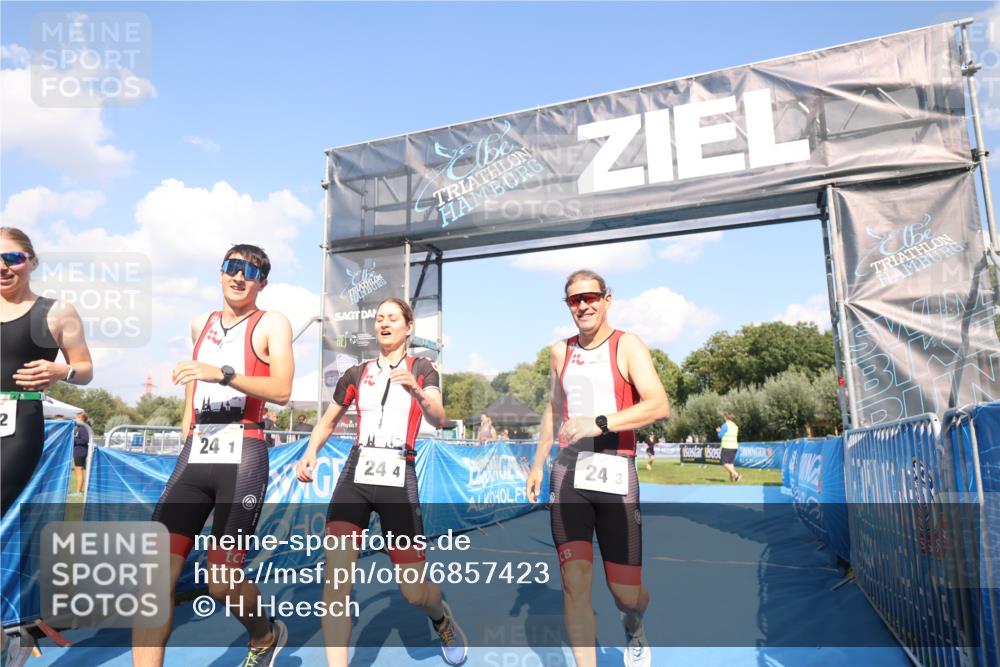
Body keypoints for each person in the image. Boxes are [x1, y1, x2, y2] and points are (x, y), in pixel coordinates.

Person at [132, 244, 293, 667]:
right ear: (221, 272)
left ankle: (264, 633)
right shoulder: (199, 323)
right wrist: (189, 425)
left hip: (244, 453)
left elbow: (281, 390)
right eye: (232, 267)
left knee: (221, 582)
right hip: (197, 451)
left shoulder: (271, 323)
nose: (239, 277)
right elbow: (193, 382)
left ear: (262, 283)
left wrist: (222, 374)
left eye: (250, 272)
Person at [295, 297, 468, 667]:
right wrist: (311, 450)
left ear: (408, 327)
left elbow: (438, 418)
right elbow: (327, 421)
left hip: (398, 472)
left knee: (415, 593)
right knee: (336, 583)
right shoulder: (356, 373)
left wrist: (417, 391)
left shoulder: (423, 368)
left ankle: (441, 618)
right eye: (379, 318)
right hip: (357, 473)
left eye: (393, 318)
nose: (384, 323)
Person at [525, 269, 670, 667]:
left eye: (591, 297)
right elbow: (554, 410)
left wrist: (600, 422)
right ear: (568, 306)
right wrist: (538, 463)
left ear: (607, 299)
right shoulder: (560, 351)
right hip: (569, 473)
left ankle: (635, 625)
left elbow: (659, 404)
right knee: (574, 583)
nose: (584, 305)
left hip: (615, 471)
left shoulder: (627, 345)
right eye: (575, 300)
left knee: (625, 593)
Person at [1, 227, 93, 515]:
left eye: (12, 257)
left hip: (18, 429)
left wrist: (62, 370)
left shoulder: (57, 312)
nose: (3, 267)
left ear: (32, 261)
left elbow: (85, 369)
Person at [717, 411, 742, 482]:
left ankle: (737, 475)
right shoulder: (735, 426)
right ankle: (732, 479)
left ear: (725, 417)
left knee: (724, 463)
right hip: (734, 446)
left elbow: (720, 436)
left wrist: (719, 431)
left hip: (727, 446)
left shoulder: (725, 425)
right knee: (730, 464)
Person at [72, 411, 91, 496]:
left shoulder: (83, 428)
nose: (75, 419)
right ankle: (78, 491)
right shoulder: (79, 428)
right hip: (78, 452)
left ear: (81, 418)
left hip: (81, 452)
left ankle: (78, 492)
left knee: (79, 472)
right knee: (77, 471)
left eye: (76, 418)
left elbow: (86, 440)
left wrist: (74, 440)